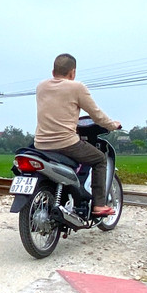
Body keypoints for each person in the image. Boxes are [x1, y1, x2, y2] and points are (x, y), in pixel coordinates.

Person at [35, 53, 121, 217]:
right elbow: (96, 114)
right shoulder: (77, 87)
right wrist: (112, 125)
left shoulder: (41, 87)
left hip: (40, 144)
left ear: (53, 72)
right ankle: (99, 205)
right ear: (72, 72)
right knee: (99, 159)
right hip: (66, 143)